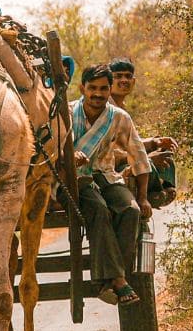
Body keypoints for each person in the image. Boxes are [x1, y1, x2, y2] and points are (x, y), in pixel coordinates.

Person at [71, 63, 153, 305]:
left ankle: (109, 280)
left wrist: (143, 196)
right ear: (82, 88)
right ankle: (117, 280)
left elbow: (138, 156)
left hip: (105, 175)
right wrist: (70, 156)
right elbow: (51, 150)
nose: (97, 94)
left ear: (110, 90)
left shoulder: (118, 117)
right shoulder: (65, 113)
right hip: (72, 180)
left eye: (103, 89)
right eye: (92, 88)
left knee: (131, 211)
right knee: (98, 209)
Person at [108, 56, 177, 208]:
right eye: (118, 76)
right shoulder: (106, 108)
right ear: (109, 81)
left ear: (134, 81)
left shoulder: (122, 107)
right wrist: (146, 157)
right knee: (149, 162)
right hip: (109, 165)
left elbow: (131, 144)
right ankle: (154, 194)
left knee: (163, 150)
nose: (124, 80)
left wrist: (154, 142)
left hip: (126, 159)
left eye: (128, 76)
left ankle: (163, 189)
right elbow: (110, 152)